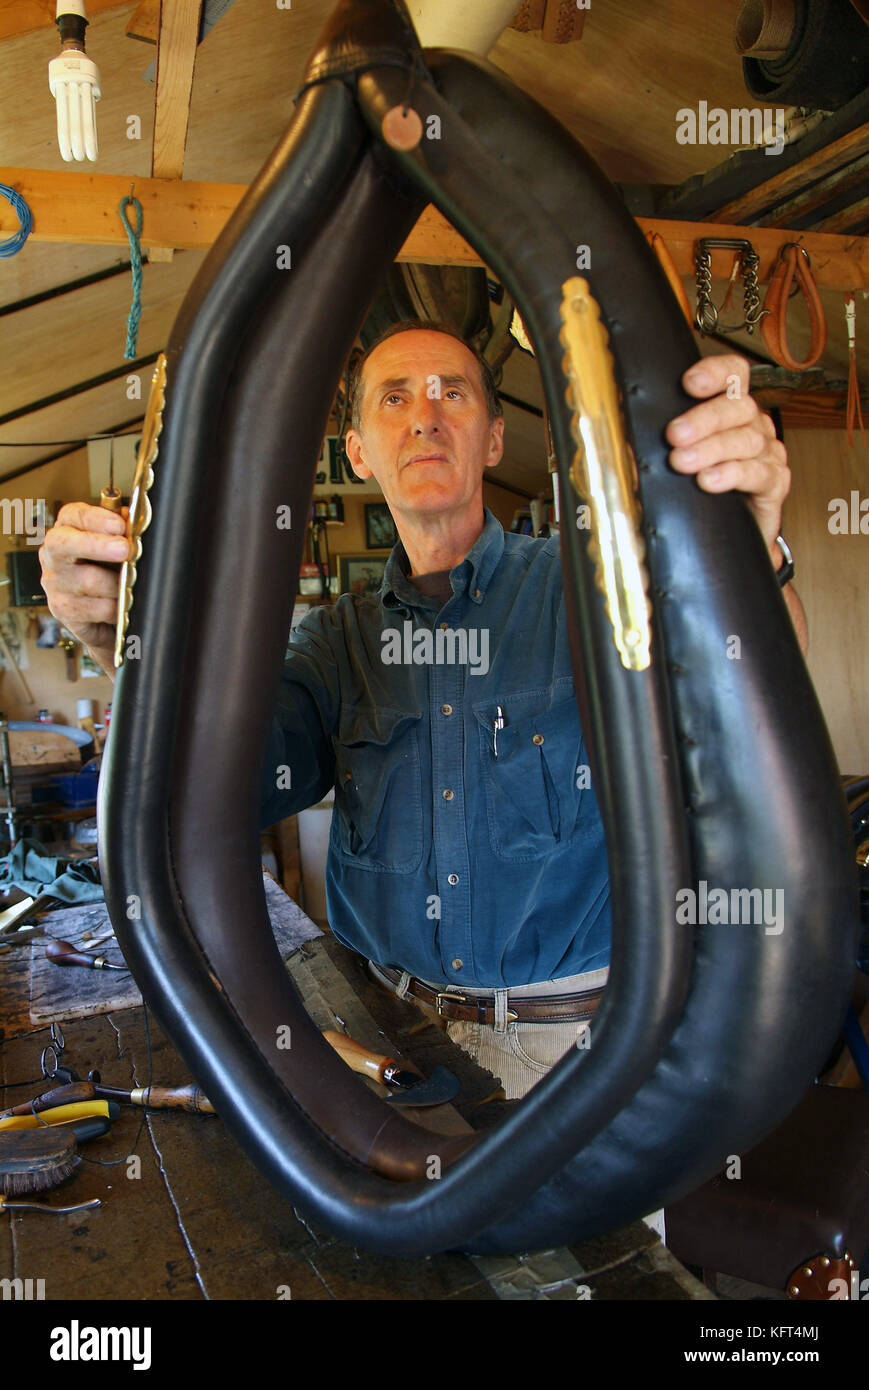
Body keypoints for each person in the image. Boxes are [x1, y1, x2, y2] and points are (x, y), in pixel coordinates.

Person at [39, 321, 807, 1100]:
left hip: (577, 1054)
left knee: (601, 1232)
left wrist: (755, 551)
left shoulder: (594, 592)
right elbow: (220, 788)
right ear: (359, 453)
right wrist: (115, 640)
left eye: (453, 392)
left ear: (495, 438)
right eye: (394, 397)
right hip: (383, 1042)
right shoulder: (335, 643)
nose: (423, 416)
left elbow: (754, 703)